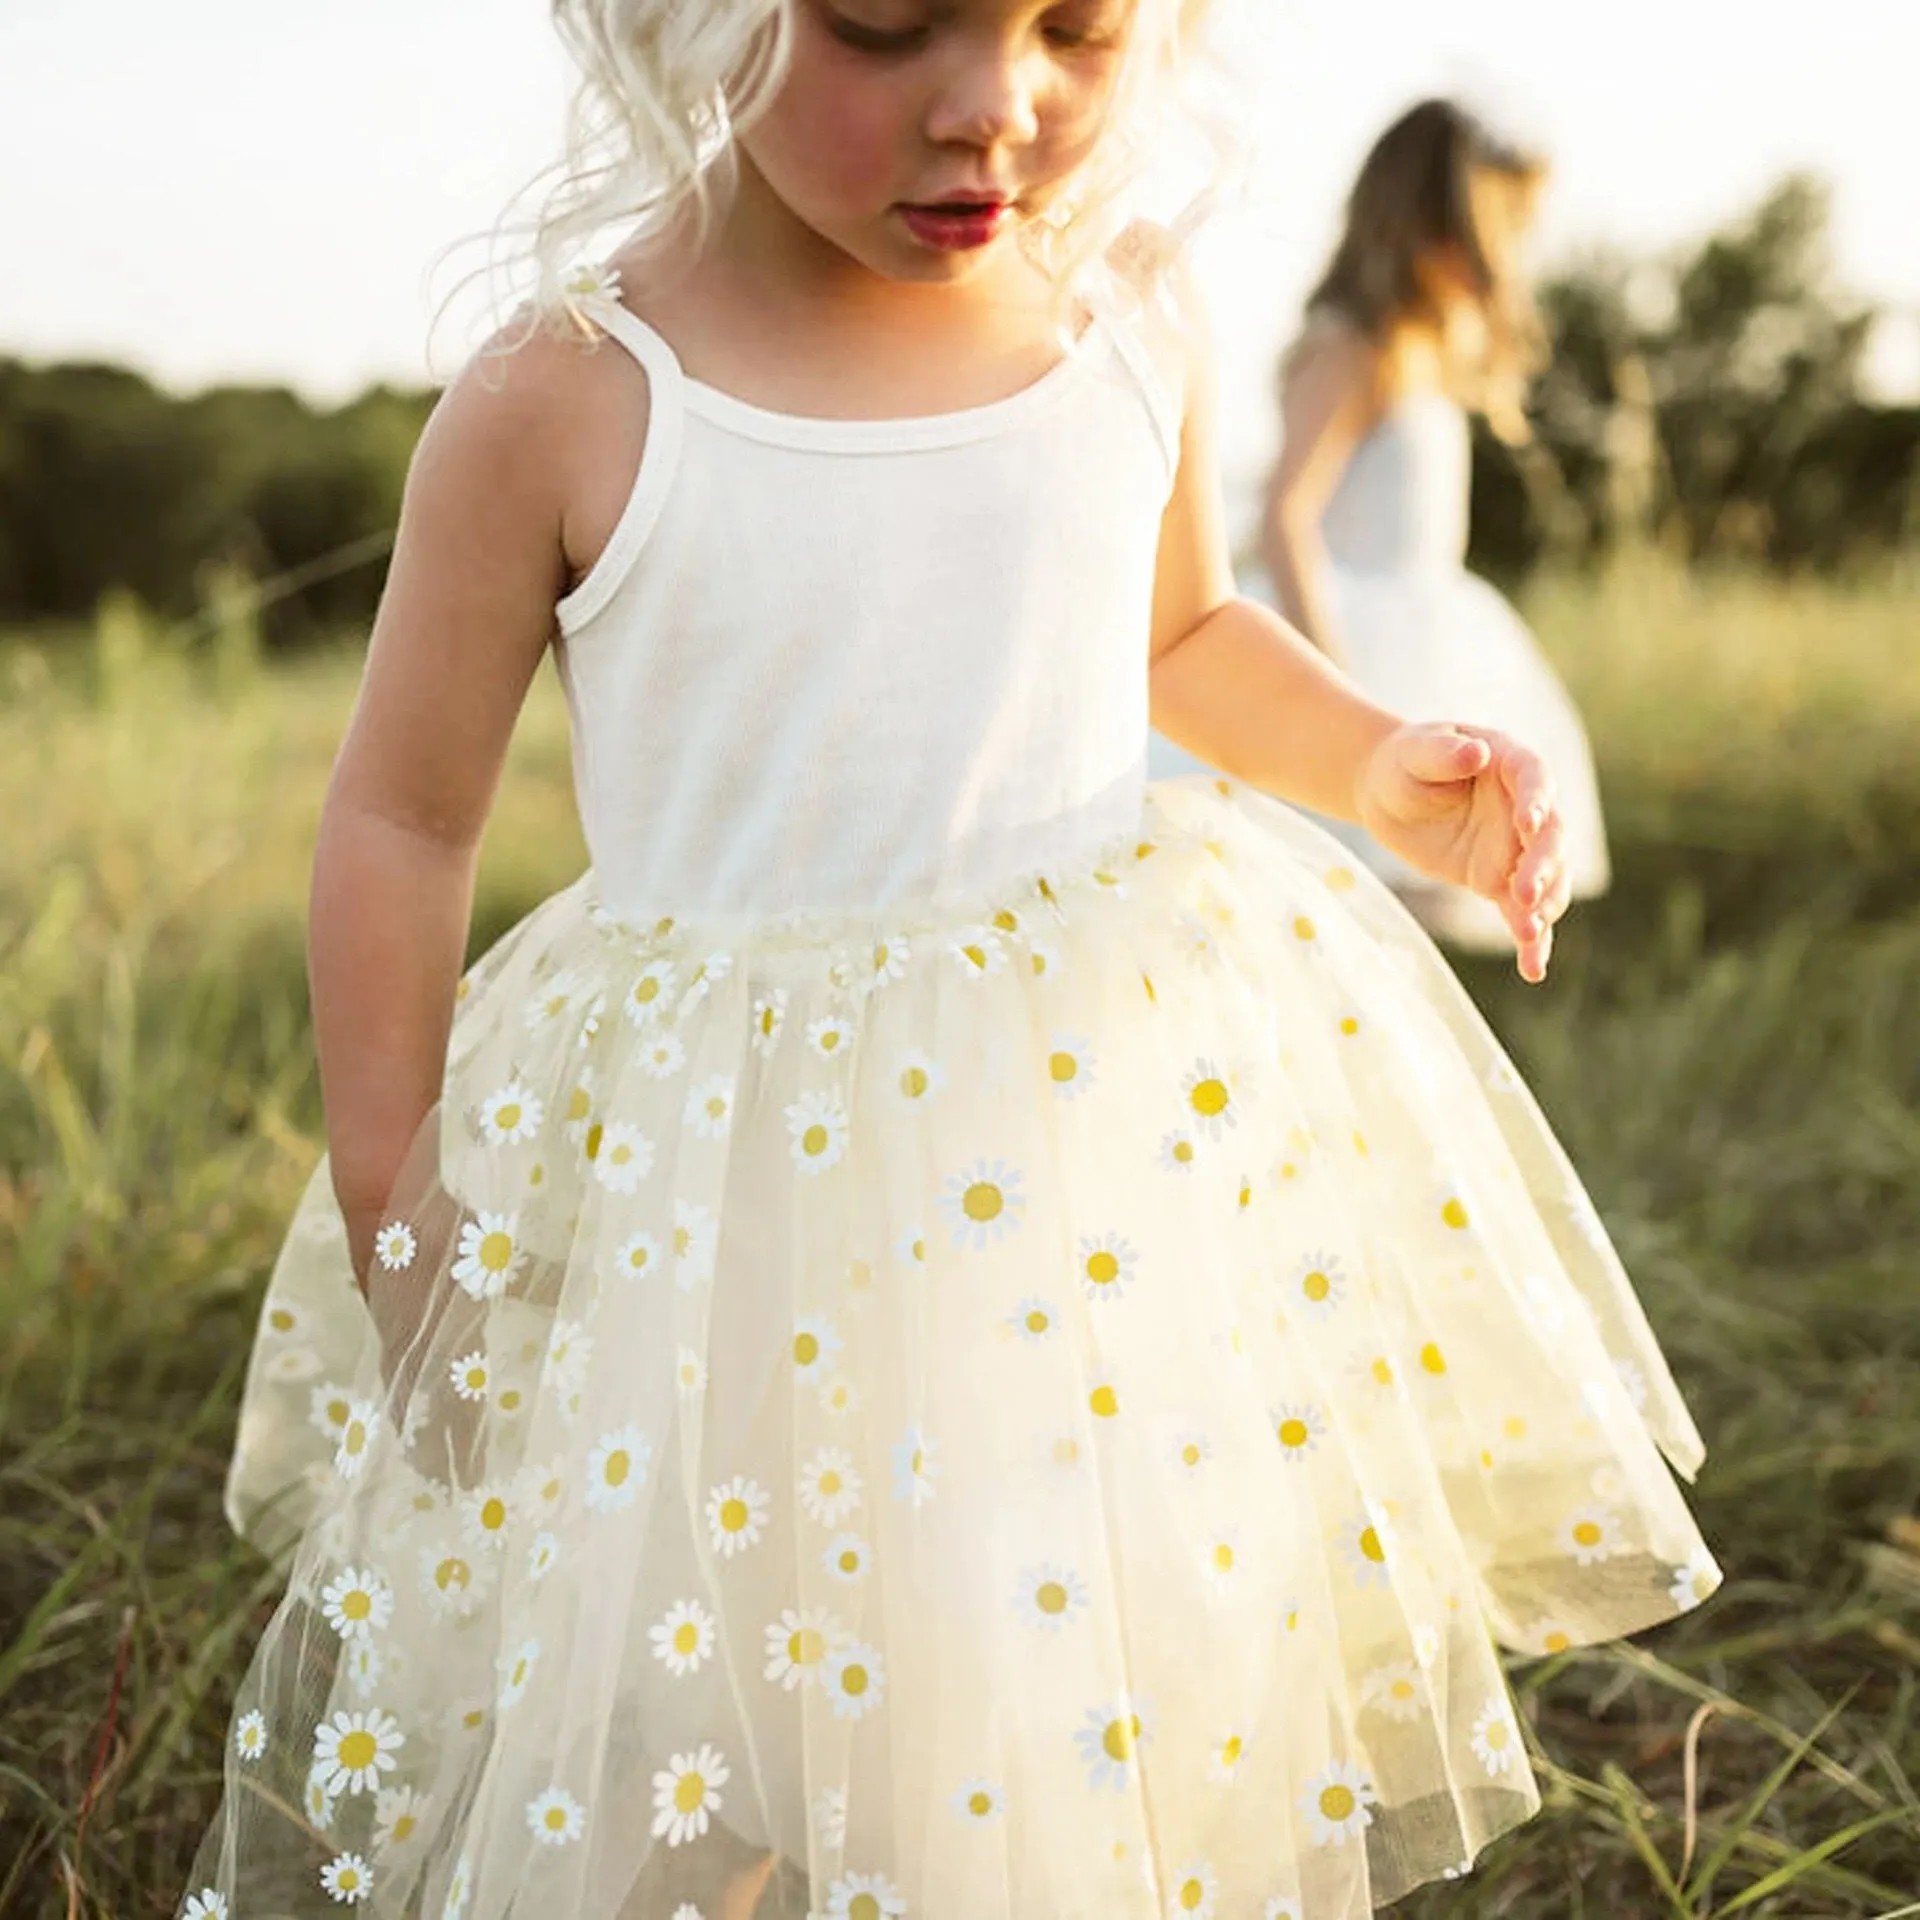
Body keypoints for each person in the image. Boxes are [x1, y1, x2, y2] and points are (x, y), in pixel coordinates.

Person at [181, 9, 1716, 1917]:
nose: (997, 100)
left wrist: (1372, 766)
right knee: (705, 1673)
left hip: (1073, 1167)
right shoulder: (570, 396)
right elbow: (404, 815)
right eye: (890, 22)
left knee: (1043, 1646)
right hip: (725, 1206)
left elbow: (1176, 640)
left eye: (1072, 24)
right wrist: (390, 1176)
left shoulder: (1127, 312)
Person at [1152, 97, 1612, 952]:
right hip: (1347, 630)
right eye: (1498, 224)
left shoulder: (1415, 350)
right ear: (1437, 224)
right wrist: (1346, 696)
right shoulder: (1350, 348)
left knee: (1405, 917)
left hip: (1425, 617)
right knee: (1336, 904)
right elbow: (1290, 513)